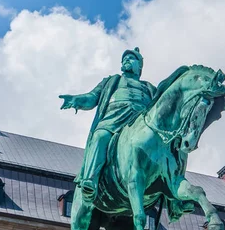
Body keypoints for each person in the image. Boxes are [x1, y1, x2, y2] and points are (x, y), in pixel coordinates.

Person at [59, 48, 156, 202]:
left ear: (140, 67)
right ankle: (90, 180)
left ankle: (173, 199)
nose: (126, 60)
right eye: (125, 58)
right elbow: (92, 97)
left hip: (140, 123)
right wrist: (75, 100)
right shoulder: (113, 81)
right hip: (114, 118)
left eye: (131, 58)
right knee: (100, 136)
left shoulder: (150, 88)